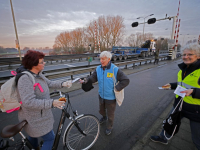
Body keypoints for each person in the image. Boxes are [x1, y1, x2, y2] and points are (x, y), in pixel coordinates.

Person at [16, 50, 72, 150]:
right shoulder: (25, 79)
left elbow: (49, 83)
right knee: (50, 138)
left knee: (33, 135)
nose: (44, 63)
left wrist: (63, 83)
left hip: (40, 115)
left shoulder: (38, 74)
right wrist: (52, 102)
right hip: (34, 118)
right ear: (34, 65)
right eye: (42, 62)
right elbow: (28, 102)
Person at [150, 44, 200, 150]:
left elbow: (192, 88)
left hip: (196, 110)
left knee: (197, 138)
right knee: (169, 122)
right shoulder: (183, 69)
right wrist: (171, 85)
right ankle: (163, 138)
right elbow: (182, 84)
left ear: (198, 56)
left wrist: (194, 92)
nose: (186, 57)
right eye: (184, 54)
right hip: (179, 104)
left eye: (190, 54)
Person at [80, 51, 130, 135]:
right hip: (101, 95)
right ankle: (103, 117)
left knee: (110, 114)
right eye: (100, 59)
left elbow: (126, 80)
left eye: (103, 59)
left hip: (111, 97)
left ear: (109, 59)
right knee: (101, 110)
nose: (101, 61)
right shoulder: (98, 68)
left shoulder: (115, 69)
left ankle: (109, 126)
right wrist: (86, 80)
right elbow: (93, 77)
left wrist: (117, 88)